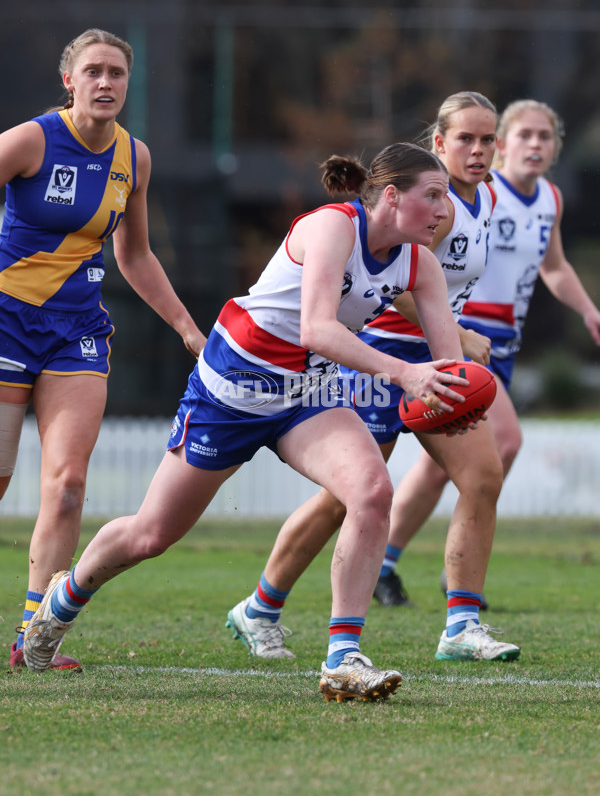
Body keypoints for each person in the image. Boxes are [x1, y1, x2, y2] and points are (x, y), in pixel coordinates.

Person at [22, 141, 472, 702]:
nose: (443, 211)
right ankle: (58, 606)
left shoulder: (421, 265)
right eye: (432, 196)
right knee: (151, 534)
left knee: (372, 490)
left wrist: (454, 401)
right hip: (233, 387)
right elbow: (318, 330)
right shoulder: (335, 227)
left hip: (304, 393)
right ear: (389, 196)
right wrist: (407, 376)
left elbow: (450, 363)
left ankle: (343, 658)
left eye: (446, 199)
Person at [224, 91, 521, 665]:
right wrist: (460, 339)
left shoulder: (482, 200)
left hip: (429, 367)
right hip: (379, 358)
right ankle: (260, 606)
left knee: (483, 474)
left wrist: (450, 352)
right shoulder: (433, 203)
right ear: (438, 143)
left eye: (488, 140)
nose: (479, 150)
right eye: (466, 138)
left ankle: (462, 622)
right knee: (347, 499)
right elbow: (398, 279)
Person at [0, 28, 205, 671]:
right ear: (70, 80)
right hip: (7, 320)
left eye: (117, 72)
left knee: (66, 487)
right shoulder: (33, 138)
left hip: (76, 330)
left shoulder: (134, 158)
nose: (106, 82)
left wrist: (185, 326)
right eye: (93, 71)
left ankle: (37, 638)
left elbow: (135, 254)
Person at [377, 99, 600, 607]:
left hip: (500, 341)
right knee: (503, 444)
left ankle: (400, 564)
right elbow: (408, 271)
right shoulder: (469, 193)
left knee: (447, 466)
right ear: (504, 145)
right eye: (525, 135)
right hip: (461, 335)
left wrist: (589, 311)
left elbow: (557, 267)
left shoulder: (550, 200)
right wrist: (454, 330)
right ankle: (448, 581)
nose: (535, 145)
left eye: (545, 137)